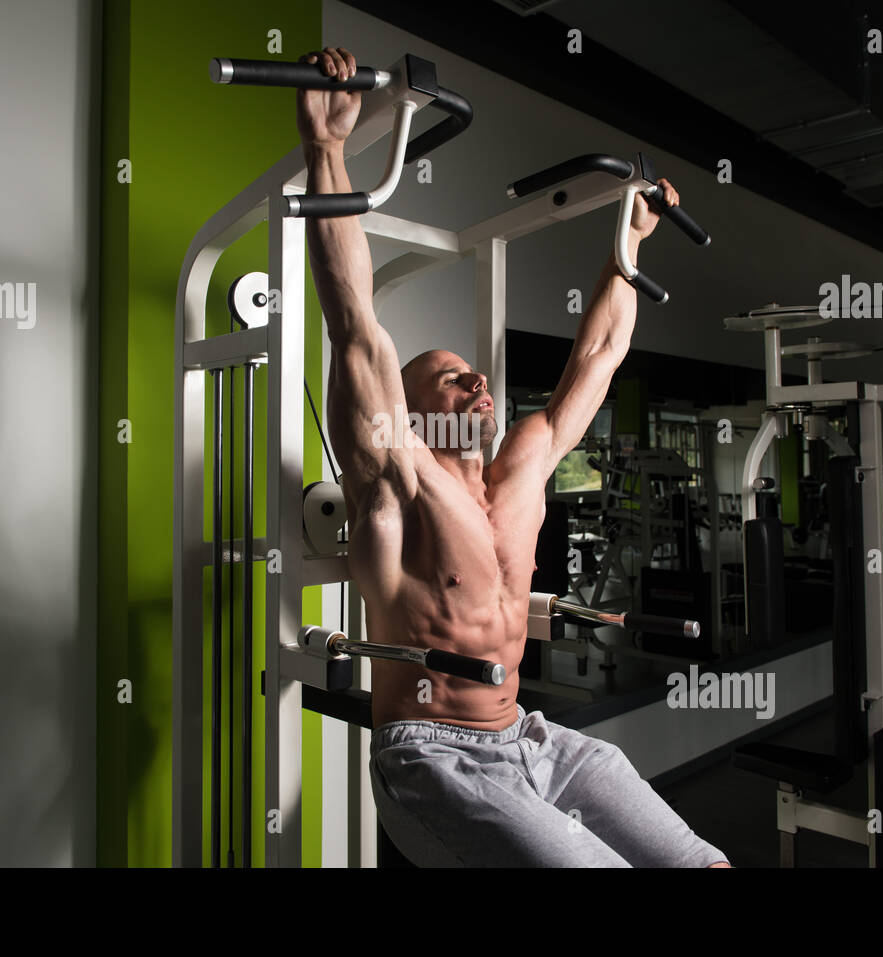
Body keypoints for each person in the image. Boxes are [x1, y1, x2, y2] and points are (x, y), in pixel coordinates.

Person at [299, 46, 729, 867]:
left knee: (703, 863)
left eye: (479, 374)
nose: (480, 381)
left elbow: (597, 356)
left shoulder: (523, 469)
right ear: (412, 415)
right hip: (434, 752)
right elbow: (354, 324)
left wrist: (628, 248)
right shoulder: (402, 483)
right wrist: (327, 152)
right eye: (455, 379)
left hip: (531, 735)